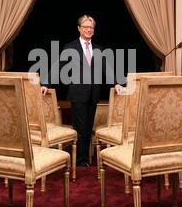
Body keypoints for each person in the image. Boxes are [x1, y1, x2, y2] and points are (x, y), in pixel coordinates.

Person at [41, 15, 123, 167]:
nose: (89, 30)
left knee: (87, 128)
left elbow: (107, 68)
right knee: (79, 128)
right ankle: (80, 161)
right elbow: (58, 66)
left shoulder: (98, 49)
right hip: (78, 94)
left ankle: (84, 158)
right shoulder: (70, 47)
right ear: (79, 28)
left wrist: (116, 83)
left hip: (94, 94)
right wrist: (46, 83)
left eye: (91, 27)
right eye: (86, 27)